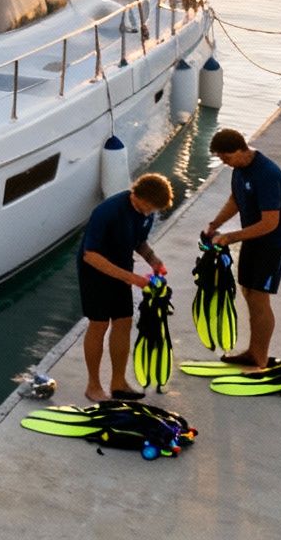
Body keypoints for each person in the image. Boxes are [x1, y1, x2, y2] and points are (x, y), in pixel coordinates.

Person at [78, 172, 174, 402]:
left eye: (153, 211)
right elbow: (90, 255)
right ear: (136, 195)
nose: (149, 213)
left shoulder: (146, 212)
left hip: (121, 270)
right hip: (95, 272)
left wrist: (153, 260)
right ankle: (93, 385)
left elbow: (138, 241)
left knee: (123, 322)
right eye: (148, 208)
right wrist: (132, 279)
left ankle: (118, 382)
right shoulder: (107, 212)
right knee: (99, 324)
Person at [202, 127, 281, 370]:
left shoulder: (267, 173)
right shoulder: (240, 170)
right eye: (221, 159)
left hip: (272, 244)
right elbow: (236, 200)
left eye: (227, 158)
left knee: (260, 300)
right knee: (249, 295)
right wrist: (215, 225)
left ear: (241, 149)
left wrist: (231, 237)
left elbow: (270, 222)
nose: (225, 163)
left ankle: (260, 360)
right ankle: (253, 351)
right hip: (254, 242)